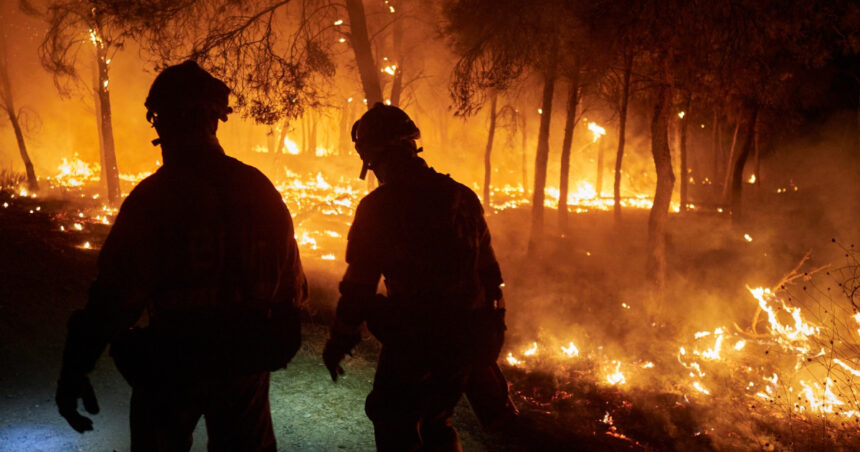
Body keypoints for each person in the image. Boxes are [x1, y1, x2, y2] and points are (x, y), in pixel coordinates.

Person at [55, 60, 307, 452]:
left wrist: (76, 367)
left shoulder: (153, 199)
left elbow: (113, 299)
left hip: (171, 365)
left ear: (160, 123)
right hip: (243, 364)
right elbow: (290, 291)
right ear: (215, 120)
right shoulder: (258, 190)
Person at [323, 103, 516, 451]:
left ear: (374, 154)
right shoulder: (462, 197)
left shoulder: (379, 207)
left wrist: (341, 338)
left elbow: (359, 285)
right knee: (436, 419)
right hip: (466, 338)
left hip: (416, 340)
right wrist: (490, 329)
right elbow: (490, 274)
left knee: (392, 415)